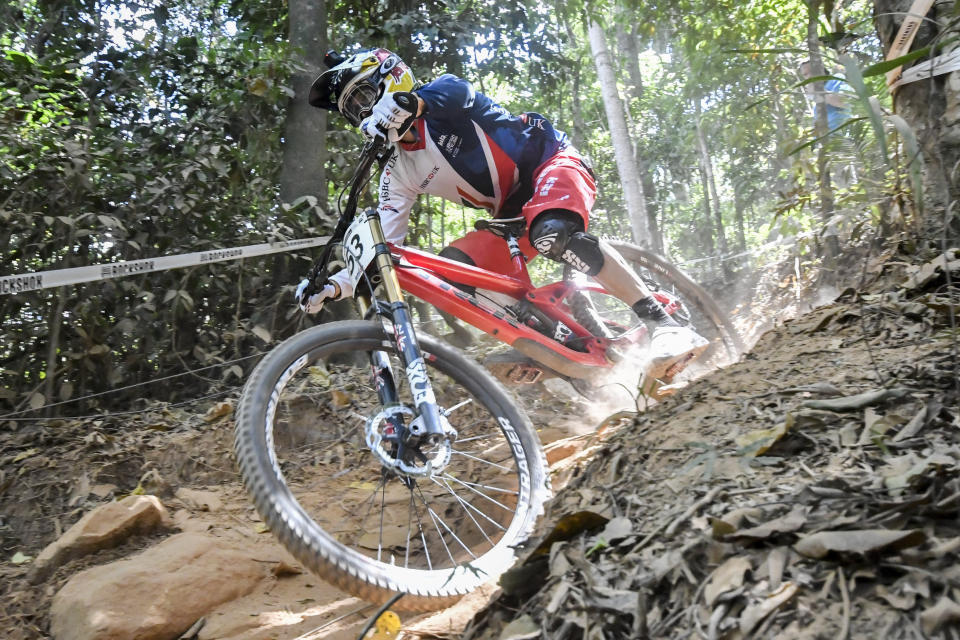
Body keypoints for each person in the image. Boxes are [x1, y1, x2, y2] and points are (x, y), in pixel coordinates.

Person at [297, 47, 707, 384]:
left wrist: (413, 103)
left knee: (552, 234)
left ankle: (663, 324)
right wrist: (335, 286)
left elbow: (451, 94)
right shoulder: (397, 171)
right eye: (353, 111)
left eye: (365, 99)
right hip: (511, 217)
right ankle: (551, 345)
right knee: (454, 270)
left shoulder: (440, 96)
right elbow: (385, 244)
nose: (362, 115)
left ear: (392, 77)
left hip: (551, 164)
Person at [799, 60, 851, 132]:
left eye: (812, 71)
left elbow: (844, 101)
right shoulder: (816, 107)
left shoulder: (836, 79)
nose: (809, 76)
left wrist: (818, 91)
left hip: (841, 136)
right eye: (805, 74)